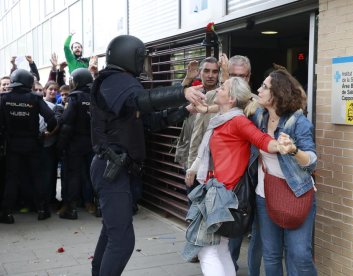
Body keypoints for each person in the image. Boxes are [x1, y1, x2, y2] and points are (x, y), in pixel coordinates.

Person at [89, 34, 205, 276]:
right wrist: (181, 92)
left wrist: (184, 110)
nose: (144, 64)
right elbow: (140, 101)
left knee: (112, 233)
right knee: (122, 242)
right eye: (142, 59)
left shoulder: (122, 83)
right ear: (130, 57)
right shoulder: (113, 80)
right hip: (112, 169)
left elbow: (150, 121)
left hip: (118, 169)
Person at [183, 77, 286, 276]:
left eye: (222, 88)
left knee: (207, 251)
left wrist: (281, 146)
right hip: (217, 192)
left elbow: (262, 139)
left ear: (230, 99)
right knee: (220, 249)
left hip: (224, 195)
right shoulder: (223, 119)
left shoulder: (237, 121)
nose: (218, 89)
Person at [189, 54, 262, 275]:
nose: (235, 80)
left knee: (210, 248)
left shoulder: (253, 109)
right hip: (217, 185)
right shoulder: (223, 108)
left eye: (240, 76)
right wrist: (194, 166)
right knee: (222, 247)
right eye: (231, 76)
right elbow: (207, 129)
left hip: (237, 188)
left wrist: (285, 147)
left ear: (249, 77)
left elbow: (259, 138)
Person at [250, 69, 317, 275]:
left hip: (297, 193)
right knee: (271, 255)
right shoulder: (259, 117)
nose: (259, 90)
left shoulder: (298, 122)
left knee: (299, 254)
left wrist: (294, 150)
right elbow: (235, 99)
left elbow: (312, 161)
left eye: (264, 87)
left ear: (277, 93)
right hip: (265, 194)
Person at [0, 69, 57, 223]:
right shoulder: (35, 98)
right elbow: (52, 120)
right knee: (37, 177)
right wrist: (46, 133)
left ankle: (6, 213)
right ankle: (42, 210)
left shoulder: (3, 98)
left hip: (12, 145)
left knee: (11, 179)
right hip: (33, 144)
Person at [175, 57, 219, 204]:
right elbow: (175, 106)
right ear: (200, 72)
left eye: (215, 71)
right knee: (193, 206)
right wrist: (187, 79)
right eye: (206, 71)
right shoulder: (193, 91)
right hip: (190, 158)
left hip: (212, 164)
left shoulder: (223, 95)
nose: (210, 75)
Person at [58, 68, 95, 219]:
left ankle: (71, 208)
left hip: (76, 143)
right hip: (93, 142)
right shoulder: (97, 97)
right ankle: (95, 205)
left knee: (73, 175)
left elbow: (66, 122)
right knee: (92, 175)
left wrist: (60, 145)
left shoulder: (75, 98)